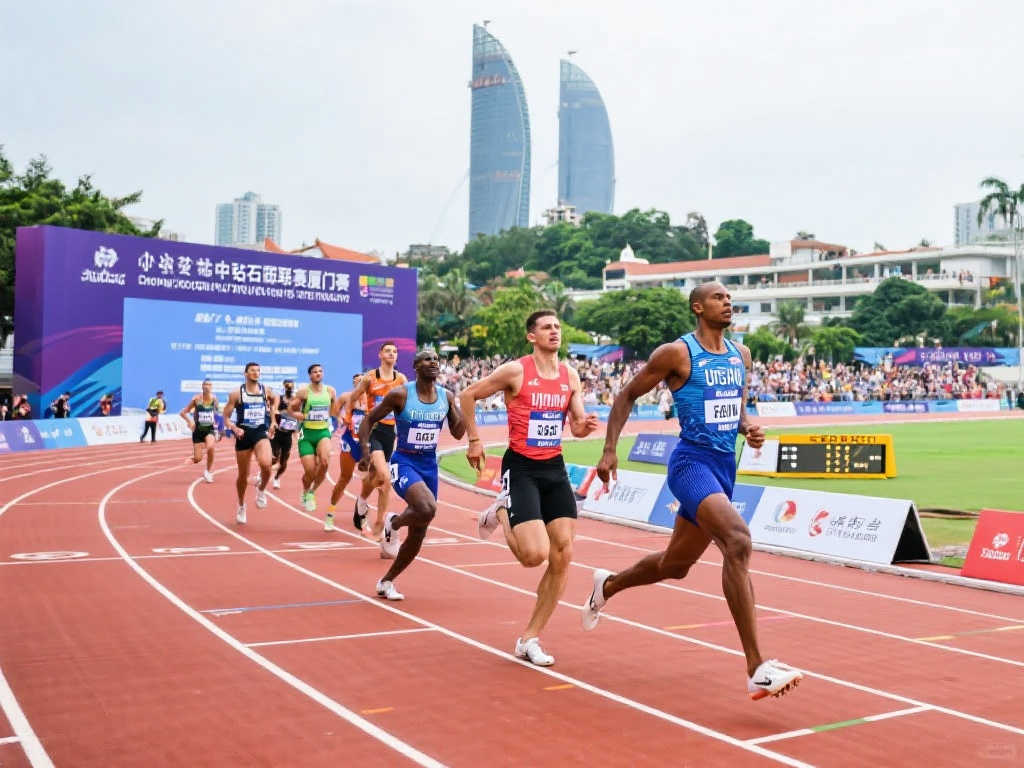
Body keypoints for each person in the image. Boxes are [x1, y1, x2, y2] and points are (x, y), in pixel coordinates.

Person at [581, 281, 803, 701]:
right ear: (698, 307)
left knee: (675, 565)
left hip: (724, 467)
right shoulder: (677, 353)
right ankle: (756, 667)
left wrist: (747, 428)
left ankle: (607, 586)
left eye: (730, 298)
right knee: (737, 541)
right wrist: (609, 450)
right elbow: (627, 395)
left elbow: (735, 407)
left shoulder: (741, 355)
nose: (728, 302)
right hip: (690, 465)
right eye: (719, 297)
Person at [461, 310, 600, 666]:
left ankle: (530, 637)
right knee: (533, 556)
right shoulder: (516, 371)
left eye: (557, 327)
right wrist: (474, 440)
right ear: (531, 336)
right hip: (521, 467)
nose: (554, 331)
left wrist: (584, 426)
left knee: (563, 554)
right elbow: (468, 395)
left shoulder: (570, 375)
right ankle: (501, 510)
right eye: (546, 327)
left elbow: (576, 425)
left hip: (554, 468)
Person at [358, 349, 465, 599]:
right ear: (416, 366)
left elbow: (458, 433)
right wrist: (365, 450)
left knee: (419, 532)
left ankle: (386, 581)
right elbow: (369, 419)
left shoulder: (446, 396)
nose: (434, 362)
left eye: (436, 359)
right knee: (427, 508)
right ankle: (394, 523)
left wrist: (462, 408)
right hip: (404, 461)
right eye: (428, 359)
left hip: (429, 465)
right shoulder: (401, 394)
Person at [350, 342, 408, 537]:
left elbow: (406, 403)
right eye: (388, 351)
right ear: (380, 355)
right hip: (373, 430)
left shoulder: (401, 379)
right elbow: (353, 397)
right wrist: (353, 418)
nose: (392, 353)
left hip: (390, 433)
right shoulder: (370, 378)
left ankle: (362, 502)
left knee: (378, 479)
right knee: (385, 476)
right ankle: (380, 522)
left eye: (395, 351)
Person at [222, 363, 277, 524]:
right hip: (243, 435)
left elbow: (275, 401)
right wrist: (234, 428)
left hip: (260, 432)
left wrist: (273, 421)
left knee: (266, 465)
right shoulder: (236, 394)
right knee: (243, 476)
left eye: (258, 370)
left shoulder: (266, 390)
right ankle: (241, 505)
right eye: (252, 370)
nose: (256, 372)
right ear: (245, 373)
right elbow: (225, 417)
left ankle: (261, 490)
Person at [289, 364, 338, 512]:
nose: (318, 373)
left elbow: (333, 410)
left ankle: (312, 492)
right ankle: (305, 490)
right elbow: (291, 409)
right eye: (315, 372)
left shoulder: (330, 391)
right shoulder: (304, 392)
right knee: (310, 471)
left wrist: (335, 418)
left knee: (324, 462)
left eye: (320, 371)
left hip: (323, 432)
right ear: (310, 375)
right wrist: (302, 416)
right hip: (306, 434)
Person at [325, 373, 370, 532]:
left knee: (368, 481)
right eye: (356, 381)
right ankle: (330, 513)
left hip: (366, 443)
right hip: (349, 441)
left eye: (361, 381)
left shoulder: (372, 398)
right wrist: (340, 418)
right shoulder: (346, 396)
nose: (359, 383)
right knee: (344, 478)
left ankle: (362, 514)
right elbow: (333, 412)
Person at [180, 380, 219, 483]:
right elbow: (183, 413)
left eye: (209, 385)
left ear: (211, 387)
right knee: (198, 459)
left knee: (211, 448)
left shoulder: (214, 399)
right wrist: (190, 422)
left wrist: (218, 427)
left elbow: (216, 414)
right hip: (198, 431)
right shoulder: (196, 399)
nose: (207, 387)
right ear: (202, 387)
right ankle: (194, 458)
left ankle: (208, 472)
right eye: (205, 385)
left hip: (209, 429)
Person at [269, 379, 298, 490]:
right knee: (274, 456)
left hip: (288, 434)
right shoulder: (279, 398)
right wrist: (274, 420)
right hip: (278, 432)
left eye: (291, 386)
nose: (289, 388)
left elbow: (298, 415)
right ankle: (263, 473)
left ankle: (276, 477)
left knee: (284, 461)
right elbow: (274, 410)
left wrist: (297, 432)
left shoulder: (296, 400)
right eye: (287, 386)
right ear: (284, 387)